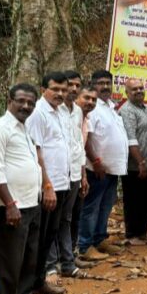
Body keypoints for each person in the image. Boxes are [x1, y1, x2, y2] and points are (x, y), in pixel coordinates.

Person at [0, 83, 43, 294]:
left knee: (27, 261)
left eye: (30, 103)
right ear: (9, 100)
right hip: (11, 207)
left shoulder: (24, 128)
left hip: (31, 204)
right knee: (9, 264)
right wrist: (10, 204)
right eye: (21, 101)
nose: (26, 106)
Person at [26, 72, 71, 294]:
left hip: (61, 183)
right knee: (39, 237)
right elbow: (37, 151)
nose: (60, 93)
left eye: (63, 90)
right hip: (48, 186)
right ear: (43, 89)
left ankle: (39, 280)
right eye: (55, 89)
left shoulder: (60, 112)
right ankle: (29, 285)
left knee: (50, 234)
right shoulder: (38, 113)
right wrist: (47, 186)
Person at [79, 70, 128, 258]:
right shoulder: (92, 108)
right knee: (92, 207)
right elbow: (87, 139)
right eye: (101, 83)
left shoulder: (110, 106)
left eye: (108, 83)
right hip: (96, 169)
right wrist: (96, 161)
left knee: (105, 206)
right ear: (93, 84)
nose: (105, 86)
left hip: (113, 169)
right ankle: (85, 246)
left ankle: (99, 239)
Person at [47, 70, 88, 278]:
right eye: (69, 85)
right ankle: (51, 264)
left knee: (67, 218)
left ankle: (67, 261)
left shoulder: (78, 111)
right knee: (53, 221)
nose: (72, 89)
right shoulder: (54, 110)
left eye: (76, 85)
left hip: (74, 173)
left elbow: (78, 144)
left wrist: (83, 174)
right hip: (56, 175)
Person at [119, 78, 147, 245]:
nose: (139, 91)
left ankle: (142, 232)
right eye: (134, 89)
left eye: (141, 88)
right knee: (133, 200)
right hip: (135, 166)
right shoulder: (127, 110)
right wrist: (140, 162)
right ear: (127, 93)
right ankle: (132, 235)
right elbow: (131, 139)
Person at [71, 85, 98, 259]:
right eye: (86, 98)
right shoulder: (71, 118)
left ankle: (72, 255)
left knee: (75, 216)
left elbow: (79, 149)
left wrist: (83, 176)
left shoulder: (85, 119)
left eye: (93, 99)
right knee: (65, 219)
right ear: (77, 98)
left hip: (78, 173)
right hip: (64, 177)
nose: (90, 102)